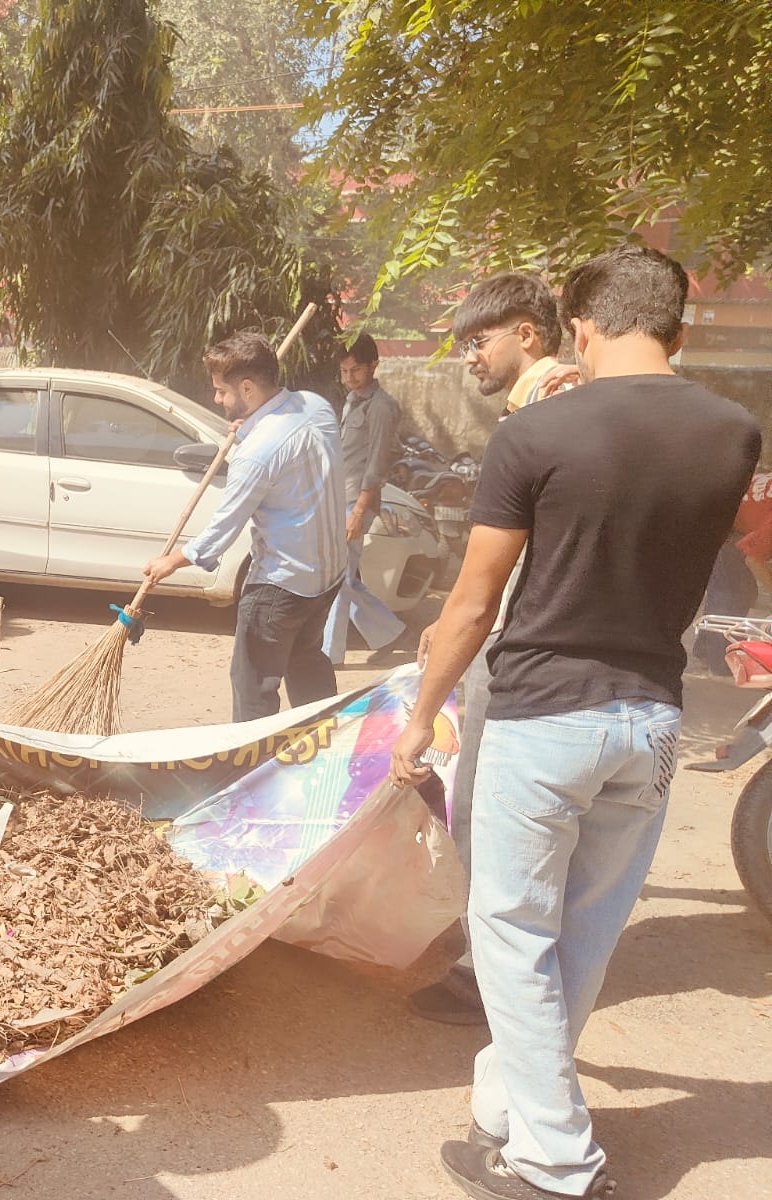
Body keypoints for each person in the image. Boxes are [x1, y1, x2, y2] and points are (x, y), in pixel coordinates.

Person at [390, 246, 759, 1200]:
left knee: (511, 931)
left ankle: (553, 1159)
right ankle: (506, 1109)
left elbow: (474, 603)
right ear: (679, 329)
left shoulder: (538, 433)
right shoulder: (734, 433)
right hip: (652, 723)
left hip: (545, 714)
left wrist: (422, 715)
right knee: (584, 933)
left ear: (583, 328)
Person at [407, 271, 567, 1026]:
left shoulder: (543, 418)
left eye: (479, 341)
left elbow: (512, 564)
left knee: (483, 810)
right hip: (539, 643)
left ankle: (484, 975)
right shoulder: (560, 405)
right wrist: (451, 613)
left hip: (516, 647)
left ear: (527, 333)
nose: (469, 357)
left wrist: (427, 703)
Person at [143, 332, 346, 722]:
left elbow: (223, 530)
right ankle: (325, 741)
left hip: (281, 587)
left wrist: (171, 561)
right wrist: (251, 427)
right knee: (306, 663)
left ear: (248, 389)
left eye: (222, 390)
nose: (217, 399)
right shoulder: (316, 406)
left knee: (253, 686)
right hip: (328, 576)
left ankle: (254, 756)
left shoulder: (257, 453)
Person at [323, 333, 408, 665]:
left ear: (374, 365)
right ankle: (390, 633)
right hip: (339, 497)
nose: (349, 378)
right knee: (343, 576)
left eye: (355, 370)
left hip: (357, 502)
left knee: (338, 578)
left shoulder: (382, 407)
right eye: (344, 371)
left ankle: (328, 655)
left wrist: (359, 510)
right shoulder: (352, 400)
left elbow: (377, 463)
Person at [690, 471, 772, 675]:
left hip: (725, 512)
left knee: (739, 590)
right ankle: (722, 661)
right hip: (720, 520)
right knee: (731, 593)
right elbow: (753, 559)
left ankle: (706, 649)